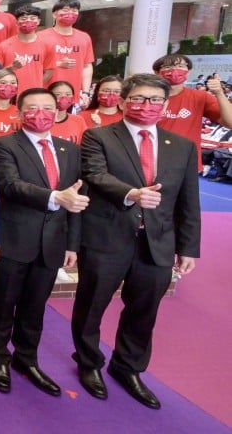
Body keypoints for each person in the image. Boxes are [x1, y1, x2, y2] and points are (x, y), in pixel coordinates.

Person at [72, 73, 201, 410]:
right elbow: (96, 175)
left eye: (155, 100)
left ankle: (128, 367)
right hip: (106, 236)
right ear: (125, 101)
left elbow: (188, 200)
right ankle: (88, 362)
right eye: (139, 99)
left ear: (165, 104)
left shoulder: (182, 147)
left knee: (144, 310)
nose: (147, 106)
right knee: (91, 305)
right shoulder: (98, 136)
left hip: (156, 241)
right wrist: (131, 194)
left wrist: (188, 247)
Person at [0, 88, 85, 398]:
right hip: (15, 239)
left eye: (47, 107)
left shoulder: (70, 150)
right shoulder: (4, 146)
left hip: (53, 242)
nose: (40, 113)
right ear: (18, 113)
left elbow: (77, 200)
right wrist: (56, 198)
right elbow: (11, 185)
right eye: (32, 108)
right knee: (4, 305)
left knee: (35, 307)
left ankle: (26, 359)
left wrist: (72, 243)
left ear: (58, 112)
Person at [152, 54, 232, 170]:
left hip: (185, 162)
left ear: (188, 71)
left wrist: (219, 93)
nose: (175, 70)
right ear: (157, 72)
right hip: (150, 158)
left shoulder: (200, 97)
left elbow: (230, 122)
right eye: (168, 67)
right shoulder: (147, 97)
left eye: (180, 66)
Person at [41, 0, 94, 106]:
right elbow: (34, 66)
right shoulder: (40, 37)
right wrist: (58, 64)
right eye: (65, 10)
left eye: (74, 10)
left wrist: (85, 92)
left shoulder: (84, 37)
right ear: (54, 14)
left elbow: (87, 66)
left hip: (72, 97)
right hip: (45, 94)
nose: (70, 13)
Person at [0, 5, 56, 96]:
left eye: (32, 18)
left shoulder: (47, 45)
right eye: (24, 18)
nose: (28, 21)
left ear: (38, 21)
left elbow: (50, 71)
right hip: (9, 96)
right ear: (16, 22)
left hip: (34, 95)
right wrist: (12, 67)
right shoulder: (3, 46)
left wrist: (36, 86)